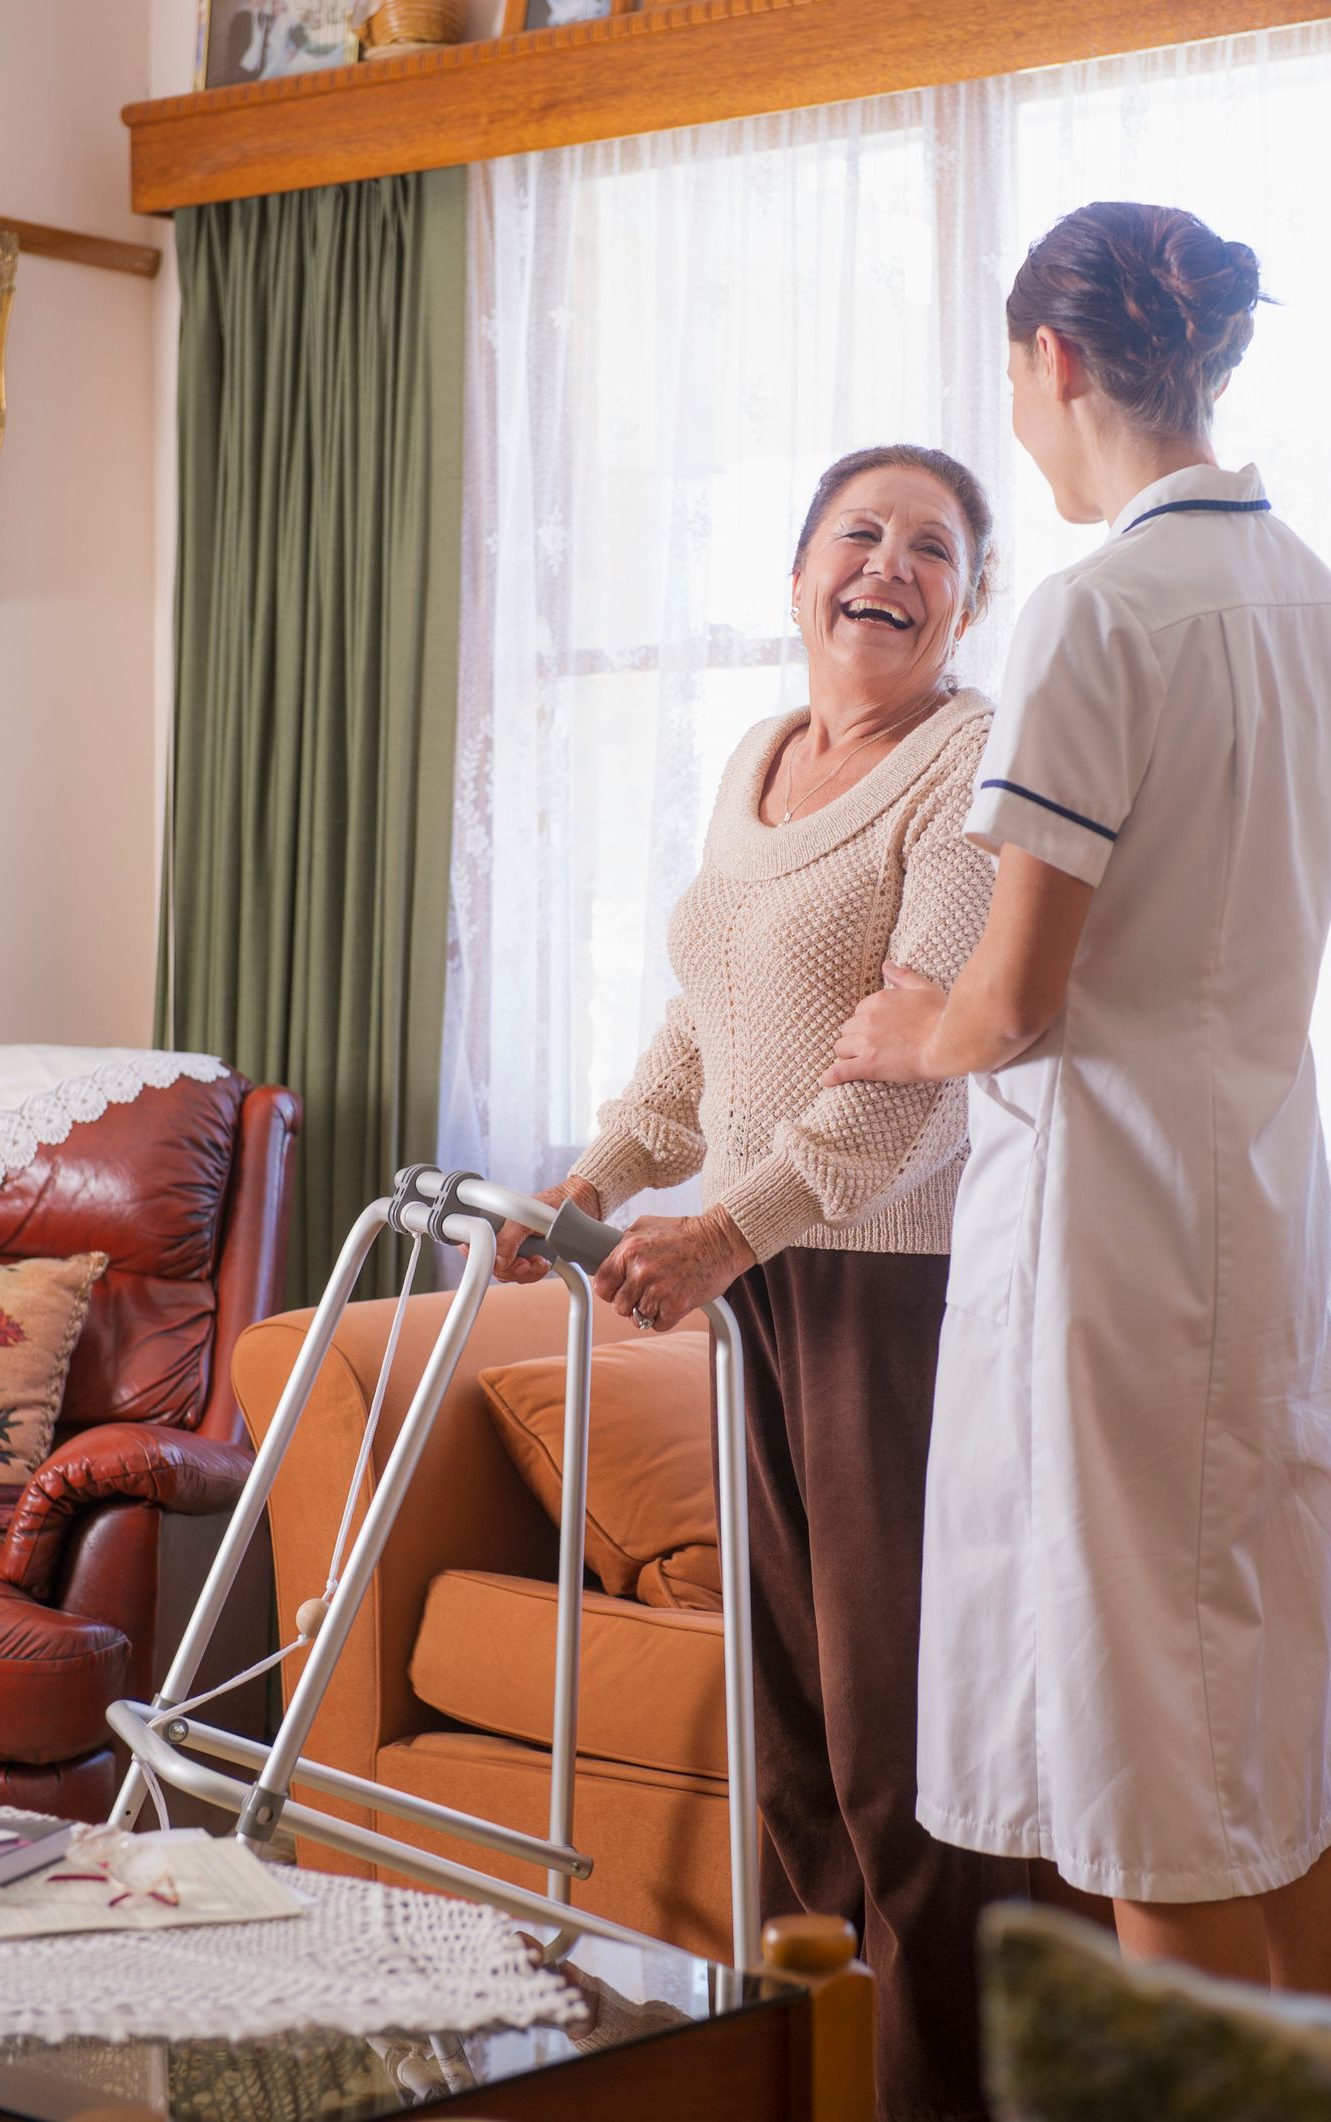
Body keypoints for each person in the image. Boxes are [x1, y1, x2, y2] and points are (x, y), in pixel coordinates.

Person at [827, 201, 1331, 1997]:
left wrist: (898, 1026)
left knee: (1152, 1765)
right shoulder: (1318, 600)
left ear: (1057, 365)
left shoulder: (1094, 614)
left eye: (1014, 383)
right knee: (1258, 1759)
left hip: (1113, 1257)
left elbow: (1009, 1000)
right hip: (1249, 1212)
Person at [491, 443, 1024, 2121]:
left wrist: (735, 1219)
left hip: (894, 1291)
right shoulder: (759, 761)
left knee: (897, 1751)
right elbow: (708, 1032)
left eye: (932, 548)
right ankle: (810, 2073)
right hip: (768, 1283)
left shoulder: (971, 764)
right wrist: (596, 1173)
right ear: (796, 575)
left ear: (969, 601)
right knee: (790, 1738)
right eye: (857, 534)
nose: (888, 565)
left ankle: (943, 2096)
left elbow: (913, 1074)